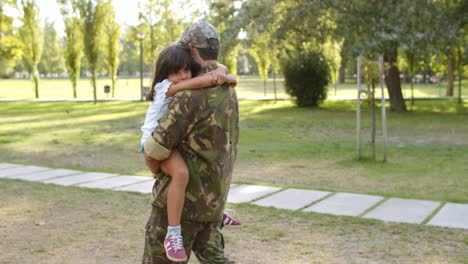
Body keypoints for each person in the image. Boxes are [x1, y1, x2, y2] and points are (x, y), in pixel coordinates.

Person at [142, 21, 239, 263]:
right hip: (213, 202)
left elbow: (154, 150)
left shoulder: (187, 95)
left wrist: (154, 170)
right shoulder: (228, 87)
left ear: (190, 49)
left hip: (180, 208)